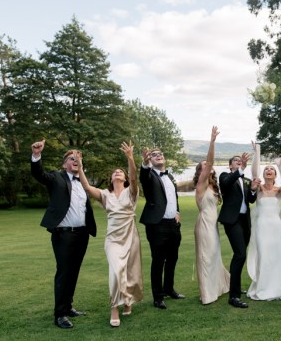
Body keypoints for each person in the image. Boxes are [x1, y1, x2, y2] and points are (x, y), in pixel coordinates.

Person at [30, 140, 97, 329]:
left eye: (79, 158)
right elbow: (38, 174)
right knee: (64, 273)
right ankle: (59, 315)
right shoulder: (56, 178)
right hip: (64, 235)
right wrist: (36, 155)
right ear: (64, 164)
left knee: (74, 272)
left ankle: (68, 307)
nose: (76, 160)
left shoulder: (84, 183)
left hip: (82, 234)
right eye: (72, 158)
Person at [75, 141, 143, 327]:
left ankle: (128, 301)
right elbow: (87, 187)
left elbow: (135, 179)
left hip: (131, 237)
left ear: (125, 177)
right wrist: (80, 167)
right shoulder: (105, 195)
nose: (117, 173)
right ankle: (114, 308)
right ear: (111, 179)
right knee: (115, 271)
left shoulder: (131, 192)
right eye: (115, 172)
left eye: (121, 171)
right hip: (113, 239)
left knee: (129, 272)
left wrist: (130, 158)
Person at [246, 142, 281, 301]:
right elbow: (254, 172)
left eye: (272, 170)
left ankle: (277, 285)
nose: (269, 171)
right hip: (262, 227)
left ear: (275, 175)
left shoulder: (278, 191)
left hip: (275, 227)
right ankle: (263, 285)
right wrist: (257, 152)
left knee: (275, 255)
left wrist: (280, 166)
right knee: (264, 254)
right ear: (263, 175)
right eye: (267, 169)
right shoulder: (259, 188)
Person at [139, 147, 185, 310]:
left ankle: (169, 289)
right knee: (158, 261)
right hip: (157, 225)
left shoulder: (170, 176)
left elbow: (174, 197)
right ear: (150, 160)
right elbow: (143, 174)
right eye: (154, 155)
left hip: (173, 224)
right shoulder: (149, 175)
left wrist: (177, 211)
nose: (158, 156)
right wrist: (144, 163)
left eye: (160, 154)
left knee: (172, 258)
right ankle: (158, 297)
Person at [192, 126, 230, 304]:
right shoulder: (201, 183)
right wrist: (212, 142)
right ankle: (207, 294)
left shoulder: (214, 186)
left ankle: (219, 286)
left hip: (213, 225)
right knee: (206, 257)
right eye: (204, 166)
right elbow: (210, 161)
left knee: (214, 255)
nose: (208, 166)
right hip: (204, 224)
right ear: (201, 171)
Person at [218, 151, 259, 308]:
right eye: (235, 161)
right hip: (231, 220)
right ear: (230, 165)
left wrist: (254, 189)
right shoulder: (224, 176)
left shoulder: (246, 180)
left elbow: (250, 199)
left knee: (240, 255)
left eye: (240, 161)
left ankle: (235, 286)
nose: (238, 162)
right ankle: (233, 297)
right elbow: (227, 183)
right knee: (240, 254)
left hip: (244, 221)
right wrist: (240, 169)